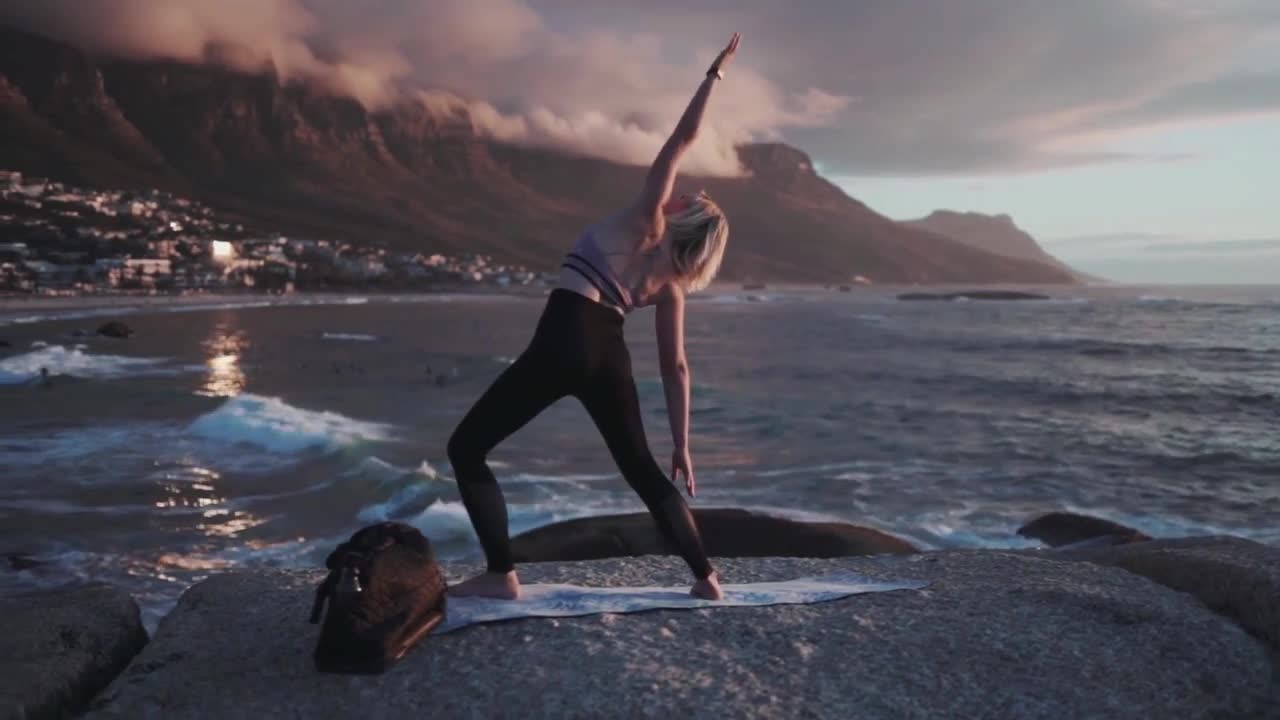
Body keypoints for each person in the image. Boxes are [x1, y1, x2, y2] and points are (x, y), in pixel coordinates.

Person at [446, 32, 741, 602]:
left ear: (684, 217)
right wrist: (682, 444)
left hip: (564, 337)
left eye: (690, 197)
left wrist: (714, 74)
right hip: (608, 354)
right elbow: (676, 368)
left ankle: (501, 574)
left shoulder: (646, 217)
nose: (682, 193)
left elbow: (684, 137)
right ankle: (706, 579)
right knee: (644, 470)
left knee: (467, 447)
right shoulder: (671, 287)